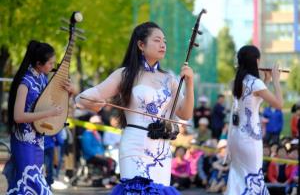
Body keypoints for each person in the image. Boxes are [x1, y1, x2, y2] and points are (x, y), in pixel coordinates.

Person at [75, 22, 194, 194]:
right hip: (134, 145)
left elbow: (186, 113)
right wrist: (96, 103)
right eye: (157, 40)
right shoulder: (125, 74)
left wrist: (189, 84)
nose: (163, 45)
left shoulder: (170, 79)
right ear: (140, 45)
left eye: (165, 41)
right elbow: (83, 98)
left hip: (162, 149)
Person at [5, 40, 74, 194]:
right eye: (50, 63)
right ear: (38, 63)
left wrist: (68, 93)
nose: (52, 66)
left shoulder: (42, 79)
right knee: (28, 179)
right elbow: (18, 116)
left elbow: (49, 104)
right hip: (23, 140)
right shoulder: (25, 83)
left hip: (38, 138)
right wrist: (48, 113)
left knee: (33, 179)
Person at [225, 45, 283, 194]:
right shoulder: (255, 83)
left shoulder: (237, 81)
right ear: (256, 61)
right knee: (253, 178)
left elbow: (254, 101)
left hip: (237, 137)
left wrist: (267, 81)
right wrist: (276, 80)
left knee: (239, 177)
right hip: (250, 139)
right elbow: (279, 104)